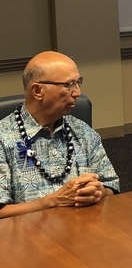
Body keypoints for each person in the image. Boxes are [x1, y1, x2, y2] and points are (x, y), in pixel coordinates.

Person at [0, 51, 119, 219]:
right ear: (38, 90)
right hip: (28, 232)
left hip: (82, 228)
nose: (77, 92)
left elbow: (111, 185)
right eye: (69, 85)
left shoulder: (82, 131)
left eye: (78, 83)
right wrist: (52, 201)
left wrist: (99, 192)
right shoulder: (3, 139)